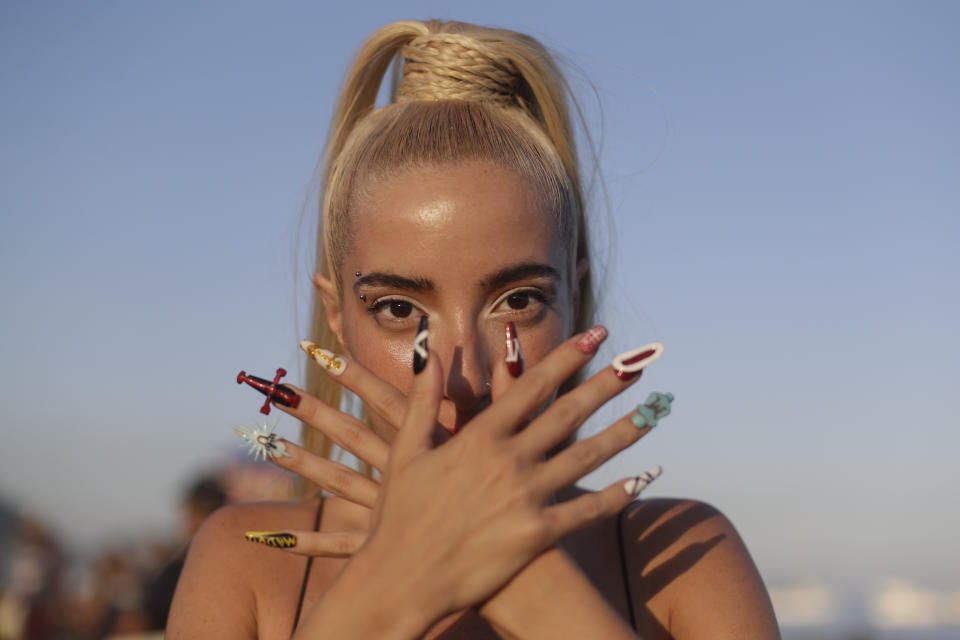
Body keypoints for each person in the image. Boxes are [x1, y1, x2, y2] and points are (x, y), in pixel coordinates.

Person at [167, 19, 780, 639]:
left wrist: (524, 580)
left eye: (518, 300)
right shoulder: (247, 559)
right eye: (399, 309)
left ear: (577, 301)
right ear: (336, 316)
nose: (463, 378)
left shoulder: (680, 556)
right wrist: (388, 588)